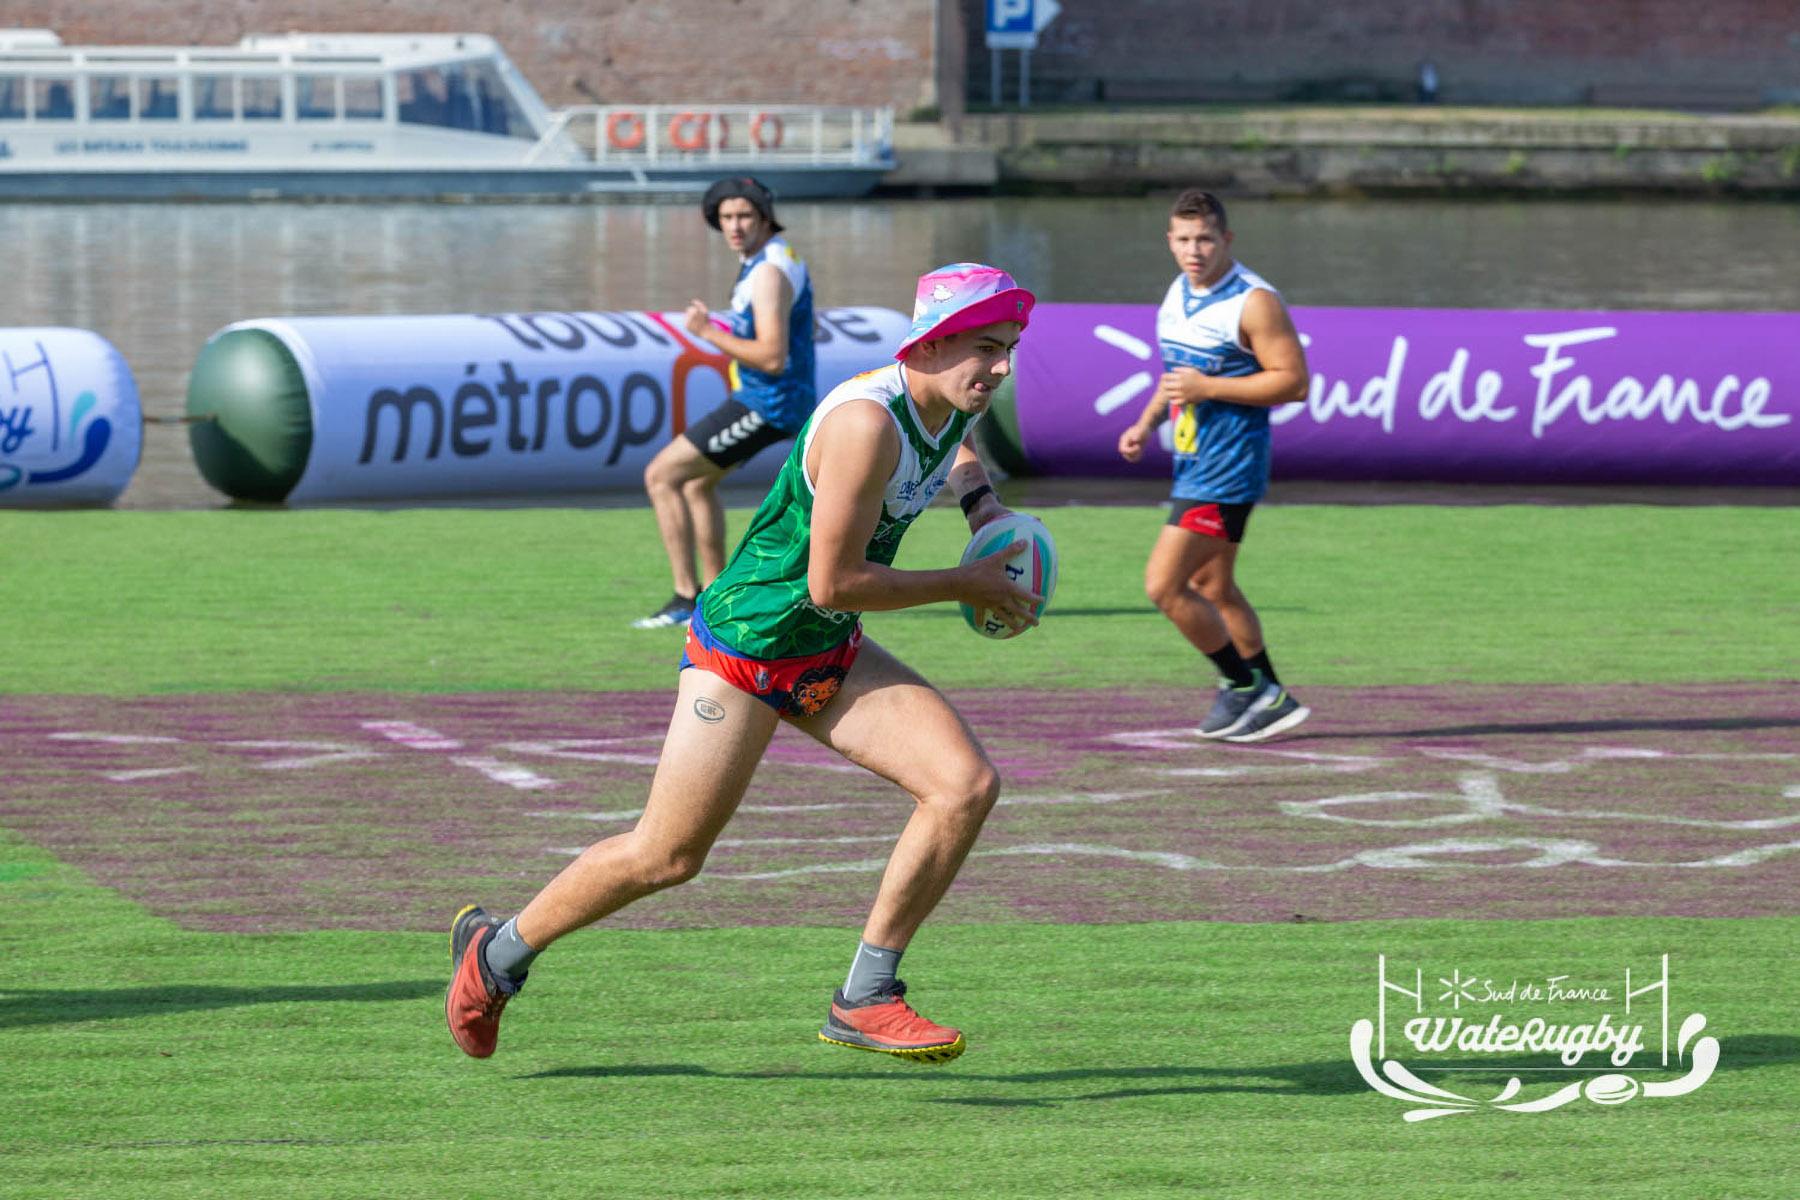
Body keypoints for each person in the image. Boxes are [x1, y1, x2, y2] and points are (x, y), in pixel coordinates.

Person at [449, 263, 1042, 1064]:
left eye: (1009, 349)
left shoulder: (944, 398)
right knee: (667, 857)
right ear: (931, 343)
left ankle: (866, 995)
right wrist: (963, 582)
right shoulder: (868, 424)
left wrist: (984, 506)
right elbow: (836, 580)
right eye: (986, 348)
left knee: (963, 785)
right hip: (748, 648)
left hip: (825, 644)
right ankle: (498, 954)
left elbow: (955, 444)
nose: (1001, 368)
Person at [1117, 188, 1312, 744]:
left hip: (1229, 468)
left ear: (1226, 239)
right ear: (1170, 241)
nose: (1193, 249)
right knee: (1215, 586)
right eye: (1183, 239)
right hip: (1192, 461)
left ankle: (1245, 684)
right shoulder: (1178, 291)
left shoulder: (1254, 302)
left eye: (1205, 238)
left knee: (1164, 585)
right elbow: (1178, 376)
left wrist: (1211, 386)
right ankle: (1272, 696)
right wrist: (1147, 422)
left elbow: (1293, 382)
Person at [633, 176, 816, 629]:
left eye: (745, 216)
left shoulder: (769, 272)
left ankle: (683, 599)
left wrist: (707, 333)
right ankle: (716, 597)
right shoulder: (767, 260)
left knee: (661, 476)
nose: (734, 226)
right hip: (764, 397)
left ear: (765, 216)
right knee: (695, 484)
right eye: (726, 217)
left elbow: (773, 356)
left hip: (769, 403)